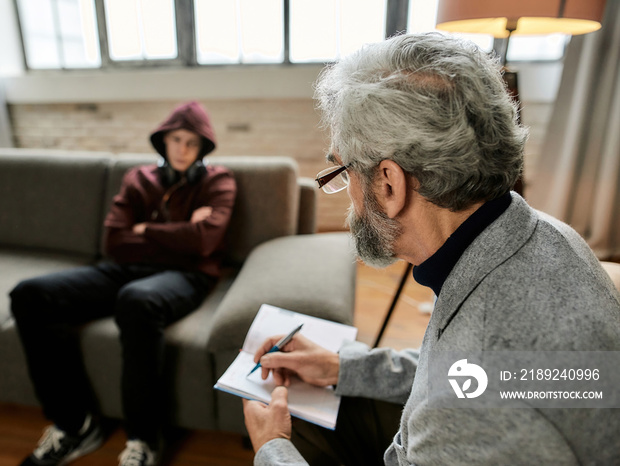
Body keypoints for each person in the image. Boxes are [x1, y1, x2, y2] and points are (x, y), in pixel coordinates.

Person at [243, 33, 620, 465]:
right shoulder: (547, 235)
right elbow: (487, 373)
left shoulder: (466, 417)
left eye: (344, 171)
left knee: (283, 424)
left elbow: (472, 383)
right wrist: (343, 368)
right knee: (304, 399)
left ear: (388, 184)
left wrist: (271, 450)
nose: (348, 198)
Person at [11, 101, 236, 466]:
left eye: (192, 143)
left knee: (137, 301)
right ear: (162, 141)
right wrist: (182, 232)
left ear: (203, 148)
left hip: (187, 275)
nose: (182, 149)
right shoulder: (137, 178)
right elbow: (114, 241)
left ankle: (143, 439)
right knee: (30, 295)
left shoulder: (219, 181)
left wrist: (145, 229)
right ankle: (74, 424)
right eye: (176, 139)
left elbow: (205, 243)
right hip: (125, 267)